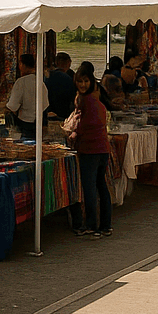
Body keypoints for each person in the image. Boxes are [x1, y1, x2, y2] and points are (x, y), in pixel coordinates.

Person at [69, 64, 113, 237]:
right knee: (101, 186)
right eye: (80, 81)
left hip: (91, 149)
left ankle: (92, 225)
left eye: (86, 81)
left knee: (91, 188)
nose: (82, 84)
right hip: (102, 148)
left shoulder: (86, 100)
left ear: (91, 81)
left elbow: (83, 125)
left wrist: (73, 135)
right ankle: (105, 225)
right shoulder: (94, 100)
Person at [6, 54, 49, 139]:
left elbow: (13, 106)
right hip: (38, 123)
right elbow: (45, 105)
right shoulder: (40, 83)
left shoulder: (21, 82)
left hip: (25, 124)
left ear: (23, 65)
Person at [45, 52, 77, 119]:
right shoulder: (69, 78)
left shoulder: (48, 76)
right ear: (69, 63)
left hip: (48, 111)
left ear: (56, 63)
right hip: (63, 113)